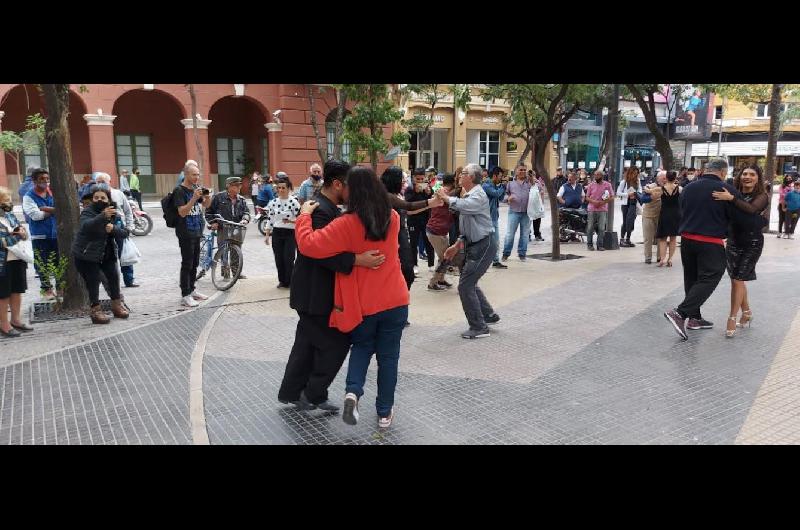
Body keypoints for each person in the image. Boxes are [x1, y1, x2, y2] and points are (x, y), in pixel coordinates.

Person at [295, 166, 410, 429]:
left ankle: (352, 393)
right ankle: (383, 413)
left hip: (364, 305)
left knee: (361, 349)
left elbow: (308, 245)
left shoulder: (345, 224)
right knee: (389, 359)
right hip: (396, 300)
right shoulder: (392, 217)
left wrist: (303, 216)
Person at [280, 160, 387, 411]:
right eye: (351, 185)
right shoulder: (320, 210)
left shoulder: (323, 206)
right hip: (315, 294)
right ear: (337, 184)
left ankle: (292, 392)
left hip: (310, 291)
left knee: (305, 345)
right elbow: (316, 251)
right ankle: (313, 394)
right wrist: (355, 260)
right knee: (336, 344)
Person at [664, 158, 740, 340]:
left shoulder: (689, 187)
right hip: (710, 241)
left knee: (692, 279)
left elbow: (681, 209)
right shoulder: (726, 189)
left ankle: (694, 318)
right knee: (711, 275)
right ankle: (681, 313)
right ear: (723, 172)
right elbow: (736, 215)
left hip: (688, 240)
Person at [436, 164, 500, 339]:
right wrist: (456, 245)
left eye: (463, 173)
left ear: (471, 178)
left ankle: (479, 327)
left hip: (484, 244)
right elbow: (468, 228)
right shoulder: (469, 194)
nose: (459, 176)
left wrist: (445, 197)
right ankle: (488, 315)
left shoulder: (477, 195)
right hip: (476, 243)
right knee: (469, 281)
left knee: (465, 284)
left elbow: (463, 206)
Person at [710, 165, 769, 338]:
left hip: (752, 243)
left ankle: (731, 317)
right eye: (745, 174)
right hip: (734, 242)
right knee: (737, 280)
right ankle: (748, 312)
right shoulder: (734, 192)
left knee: (738, 279)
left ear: (758, 178)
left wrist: (731, 199)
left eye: (752, 174)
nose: (747, 177)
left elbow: (751, 210)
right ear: (739, 176)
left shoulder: (762, 196)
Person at [71, 185, 130, 324]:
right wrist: (103, 217)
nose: (99, 200)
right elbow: (87, 226)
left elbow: (124, 233)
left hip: (106, 252)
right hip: (87, 254)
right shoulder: (87, 212)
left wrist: (113, 228)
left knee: (113, 278)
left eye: (102, 198)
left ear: (108, 199)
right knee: (93, 281)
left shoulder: (114, 212)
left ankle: (116, 306)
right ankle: (95, 310)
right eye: (96, 197)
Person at [380, 166, 440, 297]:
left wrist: (430, 203)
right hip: (393, 237)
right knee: (407, 270)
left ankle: (398, 300)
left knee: (406, 272)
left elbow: (408, 211)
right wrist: (430, 202)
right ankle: (396, 300)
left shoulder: (396, 194)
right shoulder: (386, 195)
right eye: (401, 179)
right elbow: (409, 206)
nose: (404, 181)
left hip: (400, 234)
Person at [172, 162, 212, 307]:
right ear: (186, 174)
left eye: (198, 174)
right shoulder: (179, 191)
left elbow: (206, 206)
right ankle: (185, 294)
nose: (197, 177)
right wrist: (194, 198)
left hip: (197, 231)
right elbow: (182, 212)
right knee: (187, 263)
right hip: (185, 232)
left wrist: (207, 197)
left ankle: (192, 289)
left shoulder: (196, 188)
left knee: (195, 263)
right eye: (194, 174)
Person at [95, 172, 139, 288]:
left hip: (119, 227)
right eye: (98, 182)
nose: (100, 184)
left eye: (103, 182)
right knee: (106, 256)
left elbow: (128, 211)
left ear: (109, 182)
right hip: (102, 229)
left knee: (124, 254)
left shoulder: (118, 194)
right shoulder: (94, 196)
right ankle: (109, 282)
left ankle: (129, 280)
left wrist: (129, 227)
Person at [0, 186, 33, 337]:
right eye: (5, 200)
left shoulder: (10, 215)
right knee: (3, 293)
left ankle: (16, 320)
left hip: (17, 258)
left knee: (17, 290)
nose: (9, 202)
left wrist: (23, 233)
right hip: (3, 261)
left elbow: (21, 230)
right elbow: (2, 241)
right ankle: (3, 324)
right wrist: (18, 236)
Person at [22, 168, 59, 298]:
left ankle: (60, 288)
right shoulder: (28, 196)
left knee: (58, 263)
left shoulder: (52, 193)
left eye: (47, 179)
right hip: (39, 235)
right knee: (42, 264)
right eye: (42, 179)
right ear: (34, 181)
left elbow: (61, 208)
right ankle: (47, 290)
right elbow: (36, 215)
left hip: (56, 234)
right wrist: (56, 210)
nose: (45, 182)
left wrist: (45, 209)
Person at [206, 176, 251, 279]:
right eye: (236, 185)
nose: (239, 187)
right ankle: (225, 273)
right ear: (229, 186)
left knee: (236, 251)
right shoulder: (218, 197)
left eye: (240, 185)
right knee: (224, 250)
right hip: (223, 228)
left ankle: (236, 273)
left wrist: (245, 219)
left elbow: (247, 212)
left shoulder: (242, 200)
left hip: (237, 228)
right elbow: (208, 212)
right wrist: (213, 222)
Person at [263, 177, 301, 288]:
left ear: (288, 188)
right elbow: (270, 219)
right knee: (278, 258)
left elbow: (301, 219)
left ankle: (290, 281)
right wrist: (267, 235)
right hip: (277, 233)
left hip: (290, 233)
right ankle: (282, 281)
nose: (280, 190)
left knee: (288, 258)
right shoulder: (273, 202)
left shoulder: (294, 202)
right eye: (278, 188)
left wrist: (290, 220)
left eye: (283, 188)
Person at [426, 174, 456, 291]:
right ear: (452, 182)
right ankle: (432, 283)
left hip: (439, 231)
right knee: (445, 258)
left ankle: (441, 279)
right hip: (435, 231)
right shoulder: (445, 193)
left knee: (445, 256)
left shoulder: (441, 191)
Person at [405, 167, 435, 272]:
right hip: (413, 219)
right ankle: (414, 265)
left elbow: (433, 200)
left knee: (428, 241)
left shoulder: (428, 187)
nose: (420, 181)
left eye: (422, 179)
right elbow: (407, 204)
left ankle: (431, 264)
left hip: (426, 219)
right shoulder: (409, 189)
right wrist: (415, 192)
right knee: (413, 243)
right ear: (413, 178)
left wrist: (429, 193)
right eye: (418, 179)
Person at [502, 164, 532, 261]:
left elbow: (539, 190)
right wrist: (508, 198)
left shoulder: (529, 183)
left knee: (525, 234)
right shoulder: (510, 184)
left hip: (527, 212)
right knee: (510, 234)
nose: (523, 171)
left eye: (524, 170)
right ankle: (506, 253)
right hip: (513, 211)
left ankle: (522, 254)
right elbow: (504, 197)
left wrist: (533, 179)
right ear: (516, 171)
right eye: (521, 170)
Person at [656, 171, 682, 267]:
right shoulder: (679, 189)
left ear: (666, 178)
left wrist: (648, 189)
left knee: (663, 238)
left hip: (665, 214)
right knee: (673, 238)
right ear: (675, 179)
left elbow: (652, 194)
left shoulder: (661, 189)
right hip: (676, 214)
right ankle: (670, 259)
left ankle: (662, 259)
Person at [482, 166, 507, 269]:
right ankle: (492, 260)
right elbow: (496, 194)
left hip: (494, 217)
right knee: (490, 241)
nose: (501, 178)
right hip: (487, 218)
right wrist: (503, 186)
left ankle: (495, 260)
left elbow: (500, 197)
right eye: (500, 176)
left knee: (494, 240)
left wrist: (503, 187)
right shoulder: (486, 185)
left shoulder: (495, 185)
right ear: (495, 175)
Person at [584, 170, 614, 251]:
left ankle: (600, 245)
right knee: (590, 227)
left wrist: (603, 202)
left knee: (601, 228)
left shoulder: (607, 185)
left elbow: (612, 196)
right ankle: (589, 244)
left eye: (598, 175)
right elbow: (587, 197)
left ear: (602, 176)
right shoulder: (591, 185)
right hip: (592, 209)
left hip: (602, 209)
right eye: (595, 175)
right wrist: (594, 202)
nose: (596, 176)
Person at [641, 171, 666, 264]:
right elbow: (643, 199)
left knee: (661, 237)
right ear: (658, 179)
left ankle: (660, 257)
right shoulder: (650, 186)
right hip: (648, 215)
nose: (665, 180)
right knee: (648, 238)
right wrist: (651, 197)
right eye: (663, 178)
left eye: (666, 178)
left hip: (661, 216)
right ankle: (648, 257)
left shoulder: (668, 188)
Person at [616, 167, 642, 247]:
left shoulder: (638, 181)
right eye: (634, 173)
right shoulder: (624, 182)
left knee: (631, 222)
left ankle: (628, 239)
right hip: (625, 204)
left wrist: (636, 193)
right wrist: (628, 194)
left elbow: (640, 190)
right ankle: (622, 239)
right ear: (630, 173)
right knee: (625, 221)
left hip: (634, 204)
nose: (636, 175)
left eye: (637, 173)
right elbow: (618, 193)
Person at [777, 174, 794, 238]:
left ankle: (786, 232)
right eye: (787, 179)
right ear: (785, 179)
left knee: (788, 220)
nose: (789, 180)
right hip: (782, 204)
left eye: (790, 179)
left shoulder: (792, 186)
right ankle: (779, 232)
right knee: (781, 219)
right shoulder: (782, 186)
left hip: (789, 205)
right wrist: (788, 194)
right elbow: (781, 194)